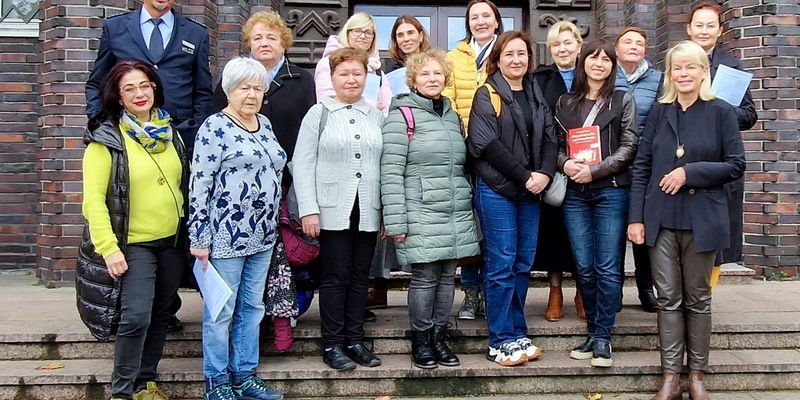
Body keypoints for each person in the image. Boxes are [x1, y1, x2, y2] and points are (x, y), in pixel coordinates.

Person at [85, 0, 213, 333]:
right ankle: (123, 308)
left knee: (174, 223)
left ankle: (166, 306)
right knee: (128, 219)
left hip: (176, 142)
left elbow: (202, 90)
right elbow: (95, 83)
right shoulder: (116, 28)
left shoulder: (196, 34)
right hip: (128, 143)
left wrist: (193, 134)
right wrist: (104, 127)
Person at [628, 40, 745, 400]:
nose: (683, 74)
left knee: (697, 299)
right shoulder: (660, 113)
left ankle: (696, 375)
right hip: (661, 217)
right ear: (670, 73)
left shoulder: (722, 112)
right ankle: (669, 376)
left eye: (690, 67)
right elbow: (643, 167)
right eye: (677, 67)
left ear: (702, 71)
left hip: (703, 219)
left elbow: (735, 164)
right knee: (668, 299)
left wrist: (689, 172)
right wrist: (636, 218)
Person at [78, 60, 189, 400]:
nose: (139, 93)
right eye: (129, 88)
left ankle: (145, 383)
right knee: (136, 317)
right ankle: (121, 392)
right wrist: (108, 248)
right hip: (134, 244)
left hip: (171, 242)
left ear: (155, 87)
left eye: (144, 85)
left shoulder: (170, 133)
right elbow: (93, 201)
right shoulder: (106, 139)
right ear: (118, 96)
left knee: (160, 314)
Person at [208, 11, 316, 353]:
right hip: (240, 194)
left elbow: (309, 134)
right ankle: (253, 331)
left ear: (283, 41)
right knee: (251, 264)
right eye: (257, 38)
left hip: (286, 184)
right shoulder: (231, 79)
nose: (264, 43)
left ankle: (287, 314)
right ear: (248, 44)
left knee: (289, 256)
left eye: (271, 36)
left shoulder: (302, 79)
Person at [188, 57, 285, 400]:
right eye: (245, 87)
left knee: (252, 308)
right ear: (229, 90)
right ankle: (217, 383)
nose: (252, 94)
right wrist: (199, 237)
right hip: (225, 237)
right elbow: (199, 184)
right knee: (221, 312)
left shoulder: (266, 124)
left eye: (258, 88)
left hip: (262, 236)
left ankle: (244, 376)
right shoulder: (214, 127)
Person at [381, 50, 480, 369]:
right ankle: (421, 341)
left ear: (446, 78)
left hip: (454, 210)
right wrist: (395, 219)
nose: (432, 79)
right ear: (413, 79)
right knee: (424, 277)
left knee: (449, 275)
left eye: (437, 74)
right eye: (425, 74)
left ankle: (439, 337)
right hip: (419, 209)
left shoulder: (452, 116)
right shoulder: (402, 116)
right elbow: (391, 171)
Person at [468, 31, 556, 366]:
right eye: (509, 54)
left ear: (529, 59)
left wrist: (545, 174)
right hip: (499, 190)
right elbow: (487, 144)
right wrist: (525, 176)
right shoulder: (486, 93)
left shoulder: (535, 93)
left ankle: (517, 332)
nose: (516, 59)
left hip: (531, 192)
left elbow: (550, 139)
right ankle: (500, 339)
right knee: (501, 264)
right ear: (498, 58)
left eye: (522, 54)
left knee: (522, 264)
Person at [294, 48, 385, 371]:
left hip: (368, 209)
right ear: (332, 78)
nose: (351, 79)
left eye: (357, 73)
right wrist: (308, 209)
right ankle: (332, 343)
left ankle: (355, 339)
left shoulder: (376, 115)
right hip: (331, 209)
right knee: (335, 276)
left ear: (366, 77)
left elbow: (384, 165)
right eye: (344, 73)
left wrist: (386, 212)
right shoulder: (319, 114)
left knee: (361, 276)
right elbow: (302, 164)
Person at [558, 40, 638, 368]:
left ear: (611, 66)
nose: (599, 64)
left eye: (605, 60)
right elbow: (553, 142)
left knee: (606, 266)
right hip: (574, 193)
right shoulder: (565, 101)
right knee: (584, 267)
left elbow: (630, 144)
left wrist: (595, 171)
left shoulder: (623, 99)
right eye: (593, 58)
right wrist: (565, 165)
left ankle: (604, 336)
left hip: (611, 190)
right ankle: (592, 332)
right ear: (583, 63)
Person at [686, 0, 758, 291]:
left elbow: (749, 114)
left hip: (719, 162)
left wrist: (720, 111)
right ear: (689, 29)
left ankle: (706, 296)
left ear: (719, 30)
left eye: (710, 26)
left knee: (715, 236)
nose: (704, 31)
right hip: (682, 161)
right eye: (699, 25)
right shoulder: (674, 60)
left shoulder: (732, 67)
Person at [366, 15, 431, 313]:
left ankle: (424, 284)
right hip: (394, 142)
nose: (406, 39)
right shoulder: (387, 72)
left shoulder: (433, 66)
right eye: (400, 34)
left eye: (410, 33)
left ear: (420, 35)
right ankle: (378, 286)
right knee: (386, 217)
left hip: (426, 148)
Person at [443, 0, 504, 321]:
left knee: (493, 225)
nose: (480, 22)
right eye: (474, 17)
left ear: (496, 22)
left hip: (499, 154)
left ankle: (493, 292)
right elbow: (448, 97)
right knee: (469, 226)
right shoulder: (454, 58)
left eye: (486, 16)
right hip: (465, 153)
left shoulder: (506, 52)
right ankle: (470, 293)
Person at [531, 20, 585, 322]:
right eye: (556, 44)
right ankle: (555, 291)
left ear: (579, 45)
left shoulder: (592, 74)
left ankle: (582, 290)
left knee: (582, 233)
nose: (562, 49)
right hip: (553, 164)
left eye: (568, 42)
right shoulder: (539, 79)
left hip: (589, 166)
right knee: (554, 231)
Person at [614, 26, 663, 313]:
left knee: (643, 229)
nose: (633, 46)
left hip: (646, 164)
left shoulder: (658, 79)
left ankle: (646, 289)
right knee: (615, 229)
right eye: (627, 42)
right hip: (613, 163)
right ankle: (615, 288)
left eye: (639, 43)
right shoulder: (608, 75)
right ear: (617, 49)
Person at [314, 12, 391, 115]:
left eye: (368, 32)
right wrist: (371, 106)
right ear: (347, 33)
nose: (363, 36)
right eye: (357, 31)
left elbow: (388, 107)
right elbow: (327, 101)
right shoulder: (327, 64)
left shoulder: (377, 71)